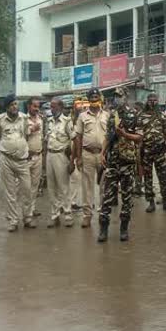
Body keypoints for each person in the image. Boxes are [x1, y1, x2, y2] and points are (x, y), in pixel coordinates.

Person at [98, 87, 142, 242]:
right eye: (115, 96)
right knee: (107, 196)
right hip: (113, 161)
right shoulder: (112, 116)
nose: (117, 99)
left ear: (126, 97)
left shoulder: (134, 115)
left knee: (127, 197)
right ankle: (103, 228)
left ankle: (124, 229)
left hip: (127, 162)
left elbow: (139, 137)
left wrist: (125, 135)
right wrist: (102, 153)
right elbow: (107, 136)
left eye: (119, 96)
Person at [0, 95, 34, 232]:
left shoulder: (24, 118)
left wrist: (20, 149)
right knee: (10, 192)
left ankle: (27, 218)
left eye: (16, 104)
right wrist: (3, 151)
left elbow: (26, 136)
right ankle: (13, 221)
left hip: (22, 160)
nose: (14, 107)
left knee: (27, 190)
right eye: (11, 105)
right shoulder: (0, 120)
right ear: (7, 107)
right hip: (6, 159)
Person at [73, 89, 109, 229]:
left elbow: (110, 136)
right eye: (91, 97)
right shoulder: (82, 116)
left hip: (103, 154)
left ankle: (102, 213)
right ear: (88, 99)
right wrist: (78, 157)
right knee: (87, 186)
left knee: (104, 185)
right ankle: (87, 216)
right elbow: (78, 137)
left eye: (96, 96)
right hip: (87, 154)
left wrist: (108, 154)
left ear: (99, 98)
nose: (94, 99)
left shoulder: (107, 115)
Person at [140, 93, 166, 213]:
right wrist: (139, 154)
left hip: (160, 152)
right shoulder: (141, 116)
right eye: (150, 100)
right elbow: (139, 136)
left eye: (155, 100)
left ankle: (165, 200)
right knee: (148, 178)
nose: (153, 102)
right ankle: (151, 202)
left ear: (158, 101)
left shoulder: (161, 116)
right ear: (147, 101)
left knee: (164, 177)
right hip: (147, 152)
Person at [46, 97, 75, 228]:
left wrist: (72, 160)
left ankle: (68, 214)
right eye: (51, 107)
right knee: (52, 187)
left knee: (64, 186)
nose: (52, 109)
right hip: (49, 155)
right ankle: (55, 215)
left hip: (61, 155)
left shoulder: (67, 121)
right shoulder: (49, 121)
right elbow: (45, 140)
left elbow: (74, 140)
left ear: (61, 107)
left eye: (54, 107)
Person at [26, 98, 45, 219]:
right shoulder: (22, 119)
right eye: (34, 106)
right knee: (24, 186)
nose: (37, 108)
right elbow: (19, 134)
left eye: (38, 106)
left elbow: (43, 137)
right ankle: (23, 211)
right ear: (28, 106)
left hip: (38, 155)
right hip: (26, 157)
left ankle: (32, 209)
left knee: (34, 185)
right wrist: (31, 129)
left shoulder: (41, 119)